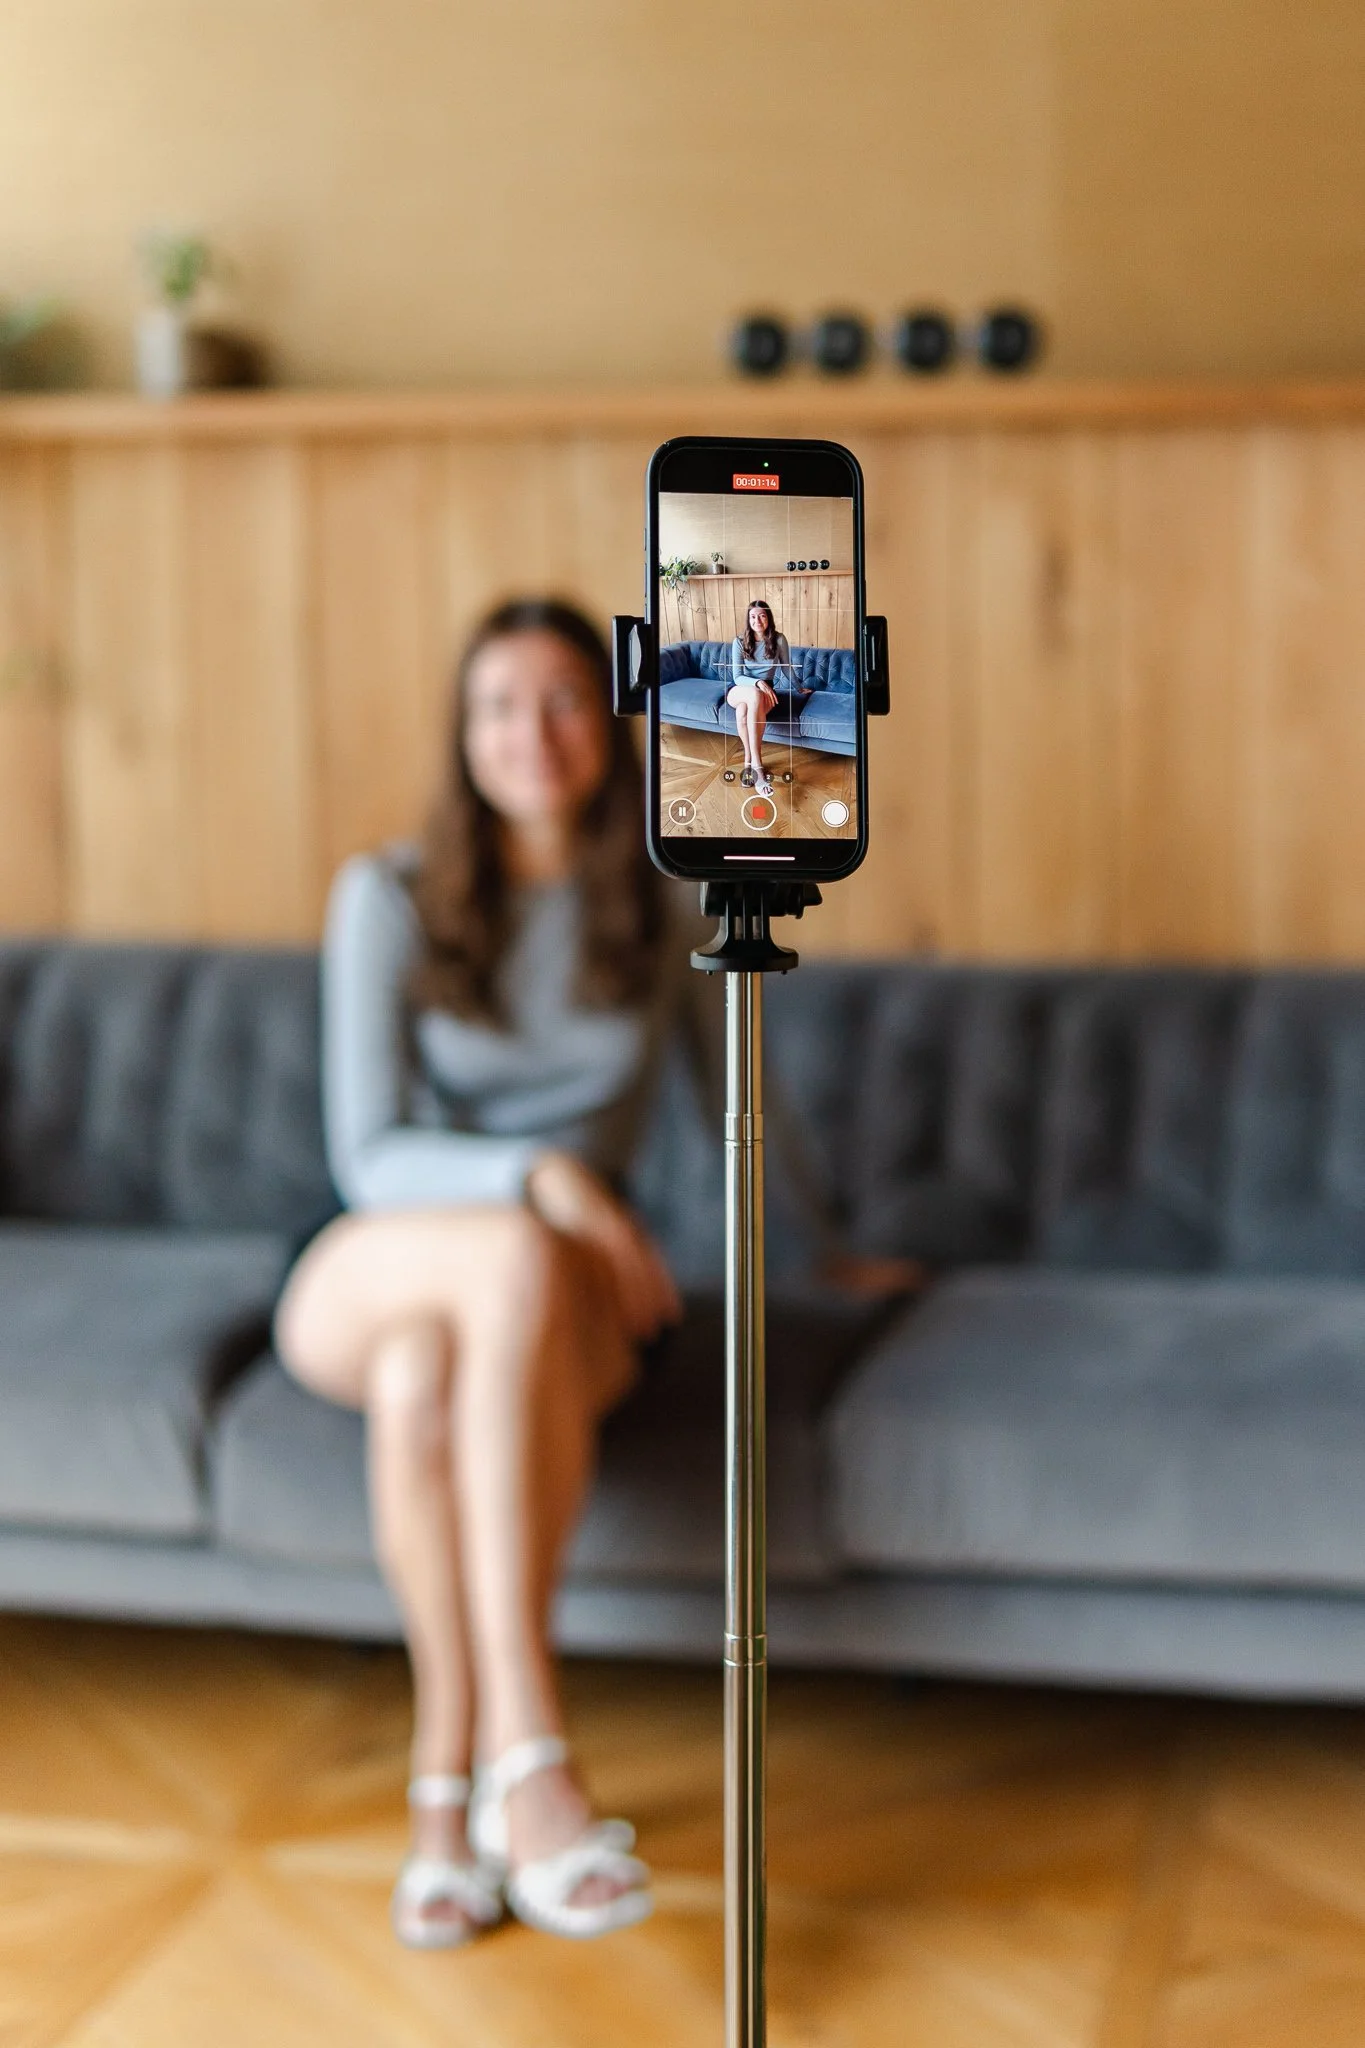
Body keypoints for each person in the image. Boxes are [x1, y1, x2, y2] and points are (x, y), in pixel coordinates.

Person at [273, 598, 686, 1949]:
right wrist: (546, 1180)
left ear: (608, 725)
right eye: (500, 706)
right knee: (484, 1270)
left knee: (421, 1385)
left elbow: (754, 1107)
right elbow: (369, 1151)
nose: (534, 735)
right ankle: (535, 1754)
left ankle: (443, 1805)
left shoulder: (660, 904)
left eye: (565, 700)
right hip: (384, 1256)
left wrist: (831, 1247)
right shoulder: (384, 897)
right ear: (464, 738)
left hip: (553, 1311)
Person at [727, 599, 802, 799]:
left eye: (762, 616)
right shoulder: (738, 642)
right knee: (752, 695)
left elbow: (786, 668)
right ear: (748, 619)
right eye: (753, 616)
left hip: (764, 693)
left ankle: (747, 763)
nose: (757, 620)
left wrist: (799, 688)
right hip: (740, 689)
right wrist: (758, 683)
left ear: (768, 618)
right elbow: (737, 677)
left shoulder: (778, 640)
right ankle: (758, 769)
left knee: (742, 712)